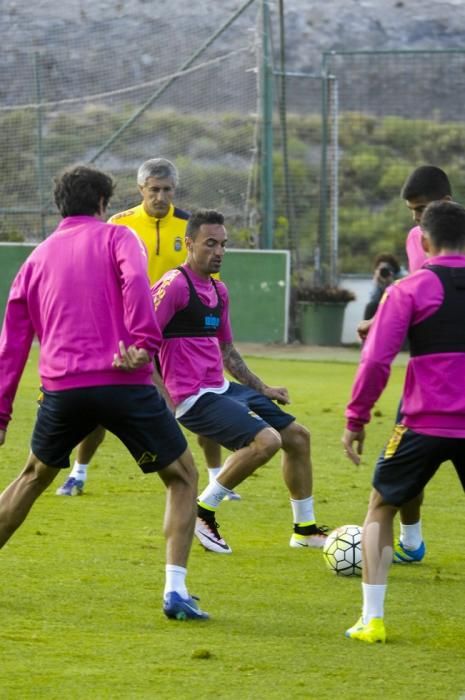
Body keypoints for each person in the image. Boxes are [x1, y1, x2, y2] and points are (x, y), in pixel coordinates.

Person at [0, 164, 208, 621]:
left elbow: (12, 341)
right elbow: (136, 283)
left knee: (32, 476)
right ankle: (175, 591)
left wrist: (1, 414)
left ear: (60, 205)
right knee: (182, 477)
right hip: (123, 380)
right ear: (102, 204)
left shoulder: (36, 258)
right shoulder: (118, 236)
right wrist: (143, 343)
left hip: (61, 388)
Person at [55, 158, 236, 500]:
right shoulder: (119, 224)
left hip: (178, 333)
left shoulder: (188, 225)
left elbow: (210, 282)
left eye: (167, 190)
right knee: (101, 407)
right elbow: (103, 275)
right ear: (141, 190)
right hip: (129, 330)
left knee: (205, 399)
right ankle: (78, 474)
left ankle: (216, 479)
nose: (161, 196)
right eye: (154, 189)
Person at [151, 208, 328, 554]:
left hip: (222, 389)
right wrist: (164, 400)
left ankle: (304, 530)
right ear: (189, 244)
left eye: (223, 245)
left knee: (298, 437)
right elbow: (142, 341)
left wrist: (263, 388)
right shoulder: (173, 285)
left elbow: (227, 351)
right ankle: (202, 511)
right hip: (191, 397)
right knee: (267, 441)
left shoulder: (219, 291)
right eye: (210, 244)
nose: (218, 251)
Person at [342, 200, 465, 643]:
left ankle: (372, 619)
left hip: (423, 423)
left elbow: (376, 360)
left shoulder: (410, 289)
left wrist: (356, 418)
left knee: (381, 506)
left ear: (425, 241)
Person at [357, 165, 453, 565]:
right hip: (428, 378)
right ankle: (411, 541)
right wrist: (379, 320)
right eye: (411, 210)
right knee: (405, 464)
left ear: (445, 202)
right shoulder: (417, 238)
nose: (415, 218)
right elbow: (411, 291)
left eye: (421, 208)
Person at [363, 253, 401, 321]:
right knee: (371, 306)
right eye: (381, 269)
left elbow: (399, 300)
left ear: (393, 269)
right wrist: (377, 282)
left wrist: (392, 283)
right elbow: (374, 299)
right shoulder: (379, 278)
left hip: (396, 307)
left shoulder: (401, 277)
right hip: (381, 306)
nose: (384, 271)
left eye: (388, 269)